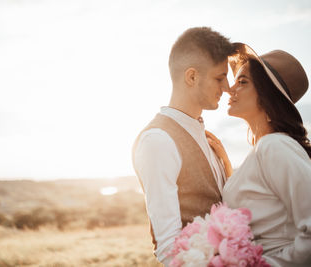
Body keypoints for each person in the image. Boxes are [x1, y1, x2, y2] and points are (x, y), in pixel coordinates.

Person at [131, 27, 235, 265]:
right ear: (191, 77)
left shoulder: (206, 136)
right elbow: (168, 248)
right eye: (220, 77)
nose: (227, 87)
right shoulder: (158, 140)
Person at [207, 43, 311, 266]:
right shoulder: (265, 149)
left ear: (267, 96)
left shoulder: (275, 146)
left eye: (242, 82)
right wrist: (225, 165)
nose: (230, 88)